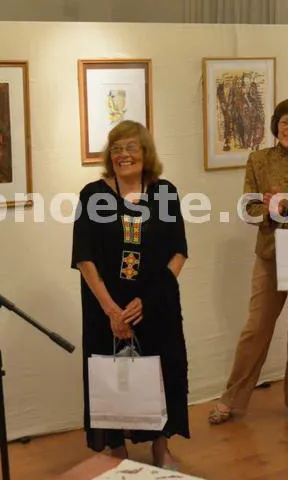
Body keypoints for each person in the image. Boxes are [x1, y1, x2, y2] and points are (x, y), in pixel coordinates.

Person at [208, 96, 288, 427]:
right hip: (271, 255)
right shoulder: (259, 160)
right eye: (285, 123)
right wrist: (274, 207)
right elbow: (249, 209)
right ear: (276, 126)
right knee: (256, 329)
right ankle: (231, 400)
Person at [71, 120, 189, 469]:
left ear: (145, 152)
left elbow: (179, 252)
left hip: (156, 304)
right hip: (105, 306)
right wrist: (111, 310)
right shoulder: (92, 195)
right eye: (116, 148)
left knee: (161, 370)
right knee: (111, 374)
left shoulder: (165, 193)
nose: (123, 155)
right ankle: (115, 446)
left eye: (131, 147)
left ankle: (160, 446)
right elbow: (83, 257)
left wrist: (150, 300)